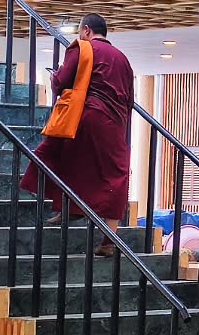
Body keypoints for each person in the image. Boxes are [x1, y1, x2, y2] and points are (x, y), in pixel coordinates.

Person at [21, 14, 134, 255]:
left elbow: (62, 82)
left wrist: (54, 79)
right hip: (115, 121)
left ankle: (69, 206)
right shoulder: (123, 59)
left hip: (86, 116)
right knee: (114, 174)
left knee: (61, 157)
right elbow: (129, 97)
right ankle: (108, 240)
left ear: (85, 31)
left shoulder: (82, 48)